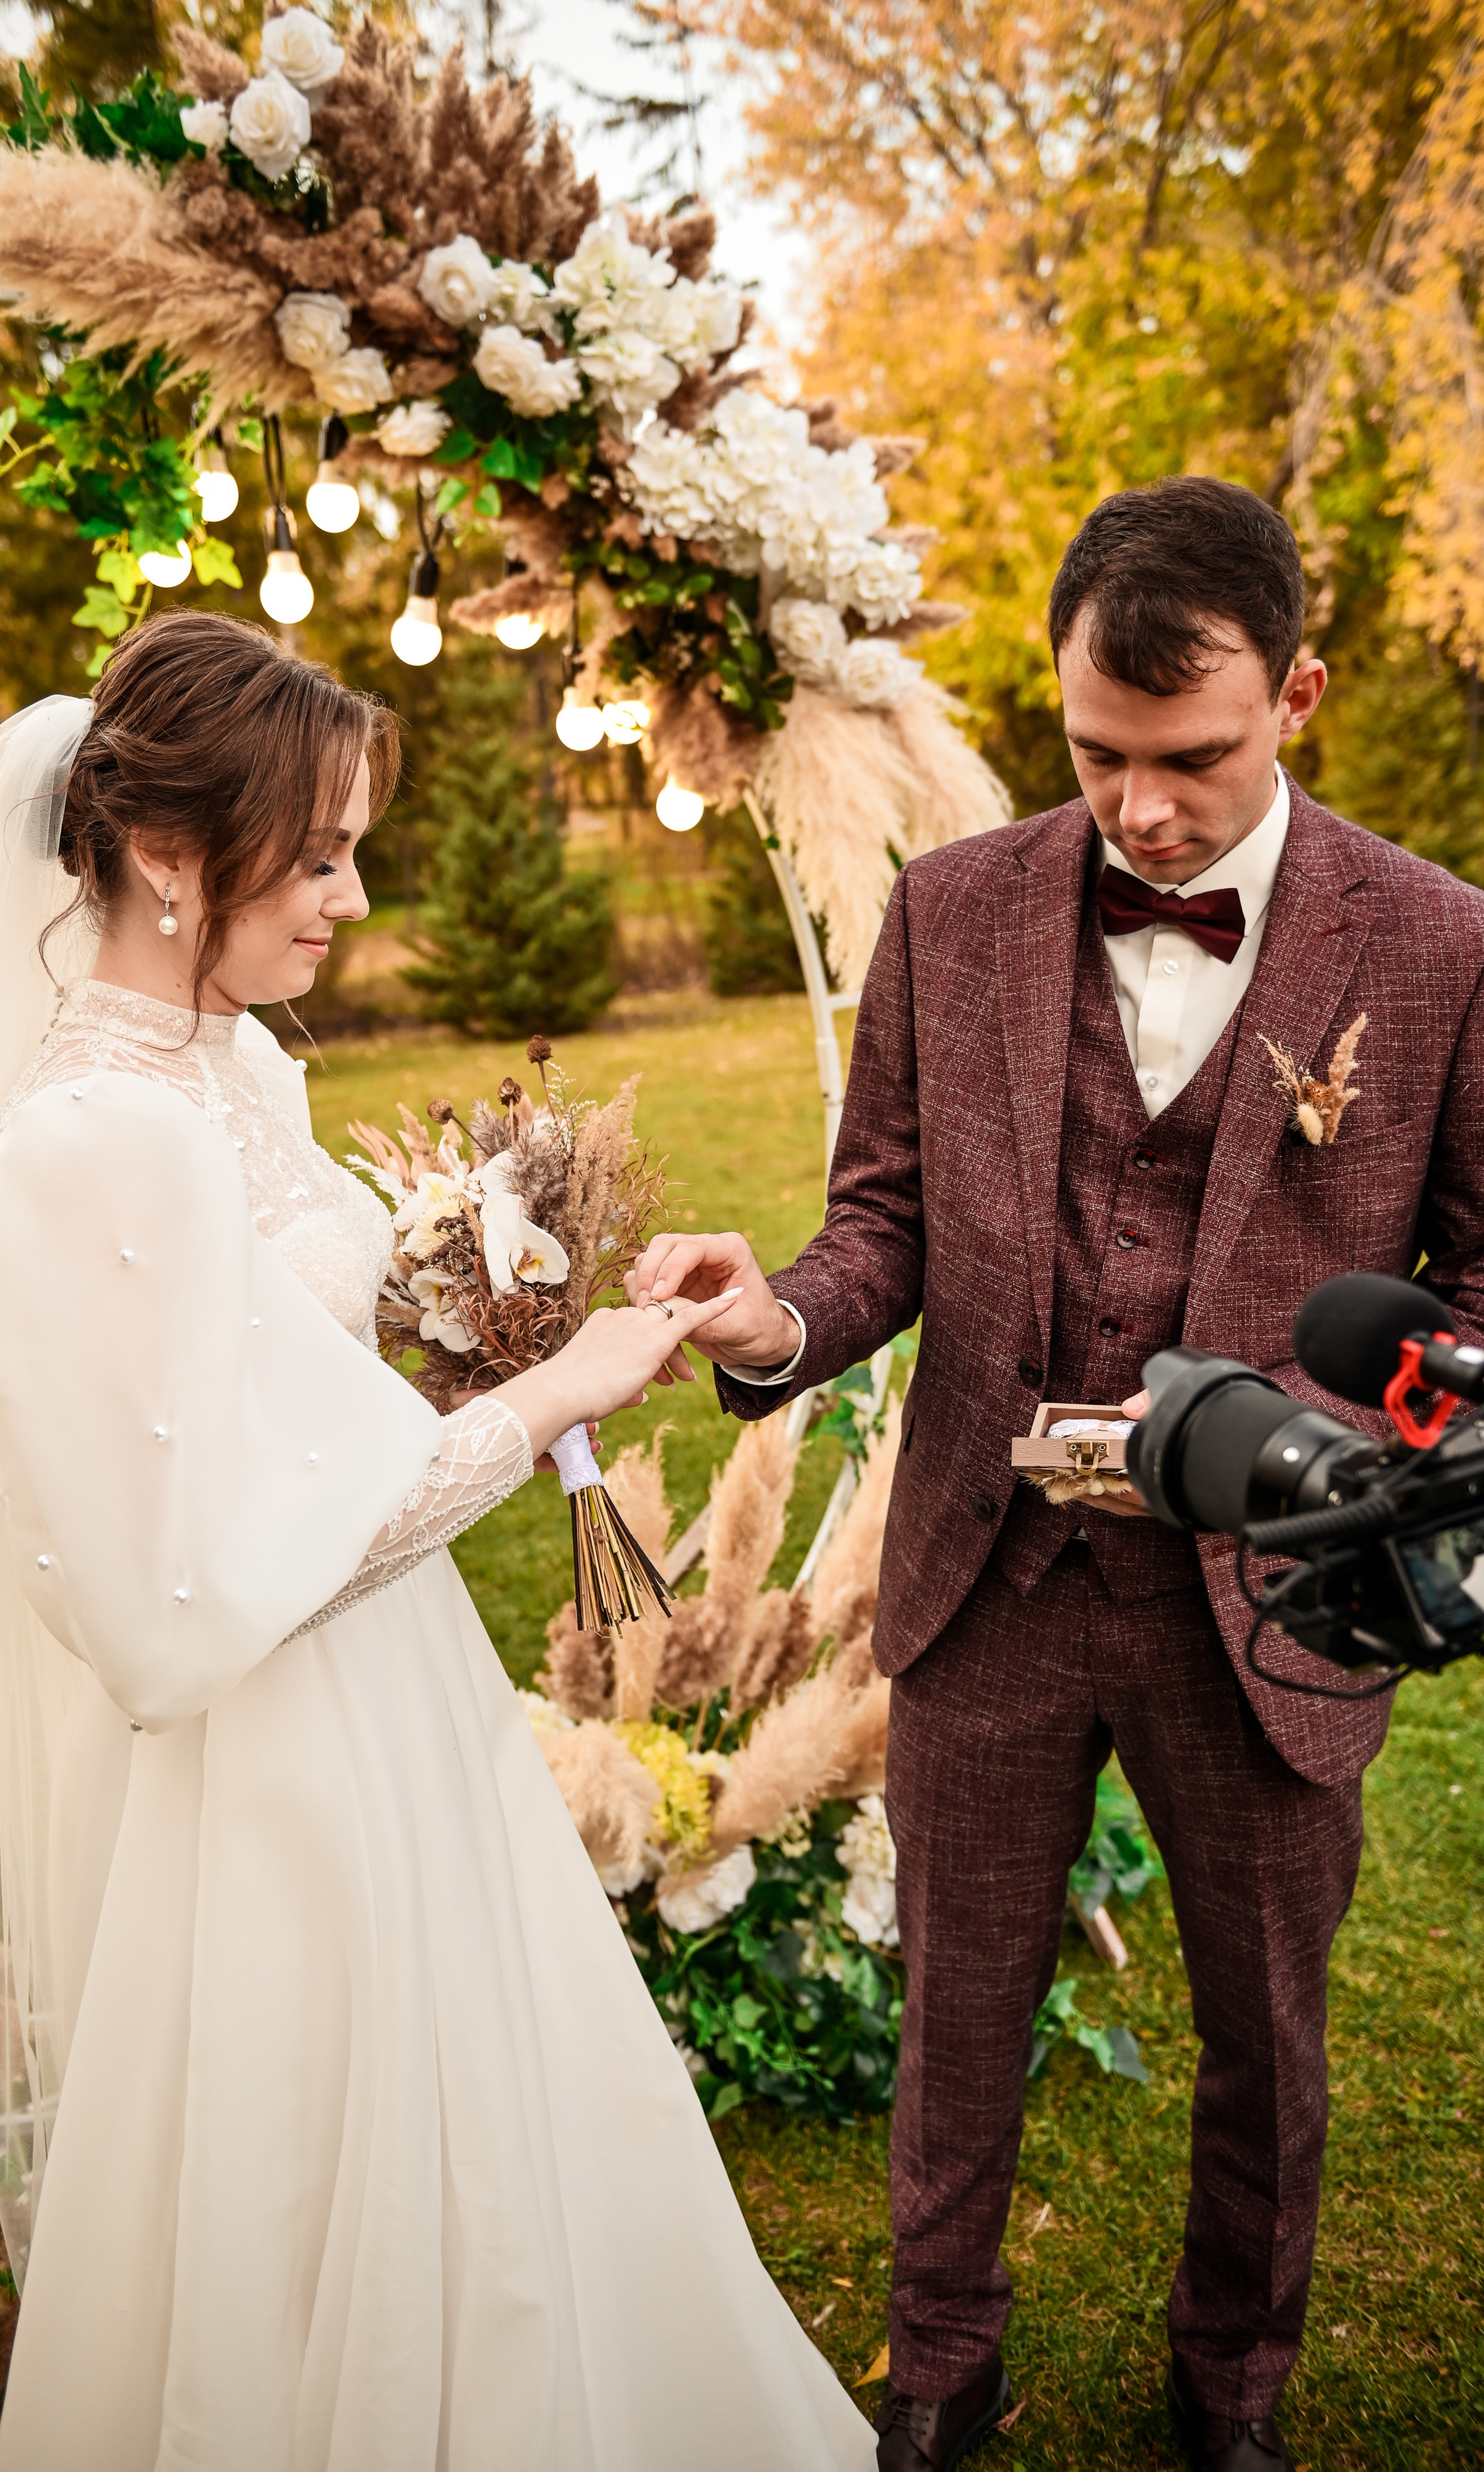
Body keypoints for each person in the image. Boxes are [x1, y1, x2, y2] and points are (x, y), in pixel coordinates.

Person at [0, 611, 877, 2471]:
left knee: (500, 2157)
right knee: (322, 2182)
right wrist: (550, 1399)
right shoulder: (83, 1150)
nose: (353, 900)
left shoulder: (240, 1072)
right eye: (319, 859)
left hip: (404, 1704)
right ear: (160, 855)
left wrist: (475, 1305)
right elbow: (192, 1590)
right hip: (270, 1769)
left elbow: (278, 1382)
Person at [633, 477, 1484, 2472]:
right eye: (1097, 754)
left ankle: (1233, 2393)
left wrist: (1338, 1446)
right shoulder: (953, 909)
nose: (1142, 812)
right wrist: (775, 1325)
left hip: (1266, 1607)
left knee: (1268, 2041)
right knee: (959, 2013)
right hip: (985, 1583)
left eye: (1191, 761)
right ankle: (940, 2370)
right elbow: (884, 1227)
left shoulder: (1442, 943)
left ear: (1301, 695)